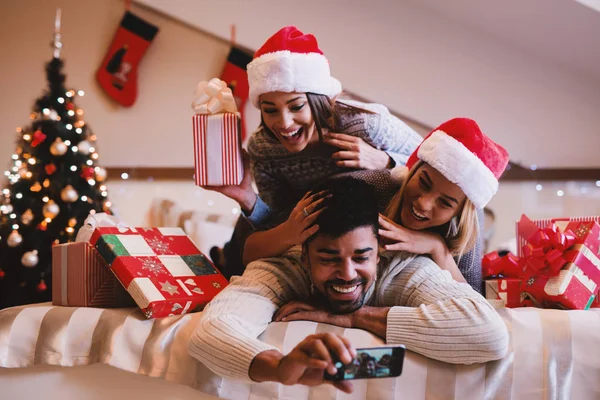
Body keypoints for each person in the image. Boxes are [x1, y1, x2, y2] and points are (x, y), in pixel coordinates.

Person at [189, 177, 509, 393]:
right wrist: (279, 367)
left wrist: (350, 317)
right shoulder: (283, 267)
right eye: (328, 258)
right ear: (304, 254)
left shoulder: (404, 267)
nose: (346, 274)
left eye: (361, 257)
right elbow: (212, 329)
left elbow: (489, 333)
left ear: (380, 250)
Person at [206, 25, 422, 278]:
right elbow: (278, 221)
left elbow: (431, 166)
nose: (284, 123)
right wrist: (246, 198)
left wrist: (385, 161)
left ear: (318, 100)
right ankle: (225, 267)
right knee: (247, 223)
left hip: (370, 230)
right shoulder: (263, 148)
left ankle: (226, 260)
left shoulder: (365, 125)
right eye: (270, 110)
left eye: (296, 106)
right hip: (314, 230)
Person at [380, 117, 509, 291]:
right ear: (413, 170)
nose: (424, 204)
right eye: (423, 183)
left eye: (445, 203)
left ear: (458, 213)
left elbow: (475, 300)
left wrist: (438, 248)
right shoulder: (378, 186)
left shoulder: (465, 226)